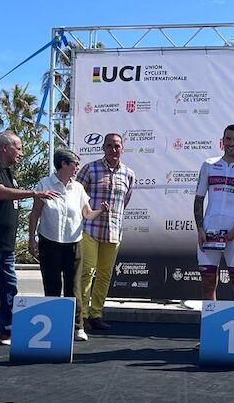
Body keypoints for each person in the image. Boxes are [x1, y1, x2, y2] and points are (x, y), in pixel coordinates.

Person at [0, 131, 59, 352]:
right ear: (4, 147)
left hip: (5, 245)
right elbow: (0, 193)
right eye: (18, 148)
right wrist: (34, 193)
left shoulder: (7, 171)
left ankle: (7, 330)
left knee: (9, 289)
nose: (21, 153)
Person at [28, 149, 109, 342]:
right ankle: (53, 326)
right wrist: (31, 238)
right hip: (49, 241)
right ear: (63, 164)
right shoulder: (44, 184)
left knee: (74, 286)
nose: (77, 168)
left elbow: (87, 214)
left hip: (74, 242)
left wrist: (100, 210)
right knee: (52, 284)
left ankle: (77, 327)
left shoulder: (78, 188)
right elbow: (35, 213)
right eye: (75, 164)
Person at [77, 133, 135, 331]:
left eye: (117, 146)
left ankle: (96, 314)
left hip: (113, 231)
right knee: (87, 272)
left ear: (122, 149)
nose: (113, 149)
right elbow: (76, 195)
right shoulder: (90, 169)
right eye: (109, 146)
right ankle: (82, 316)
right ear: (103, 148)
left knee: (104, 274)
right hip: (90, 228)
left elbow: (124, 201)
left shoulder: (129, 174)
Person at [194, 124, 234, 301]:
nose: (231, 143)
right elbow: (199, 199)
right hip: (209, 230)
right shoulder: (209, 165)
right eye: (228, 139)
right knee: (208, 282)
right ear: (222, 141)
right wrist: (200, 229)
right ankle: (210, 318)